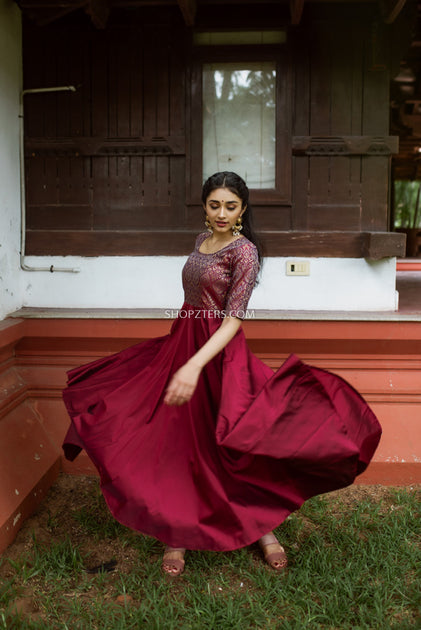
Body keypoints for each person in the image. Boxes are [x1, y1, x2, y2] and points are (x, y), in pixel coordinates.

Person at [62, 171, 382, 577]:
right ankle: (176, 531)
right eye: (215, 204)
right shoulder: (201, 241)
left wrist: (195, 366)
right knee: (177, 436)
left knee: (232, 441)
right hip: (182, 340)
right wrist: (180, 351)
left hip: (218, 354)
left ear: (243, 210)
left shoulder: (244, 252)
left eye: (231, 206)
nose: (222, 213)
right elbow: (192, 299)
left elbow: (233, 319)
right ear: (204, 206)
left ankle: (261, 527)